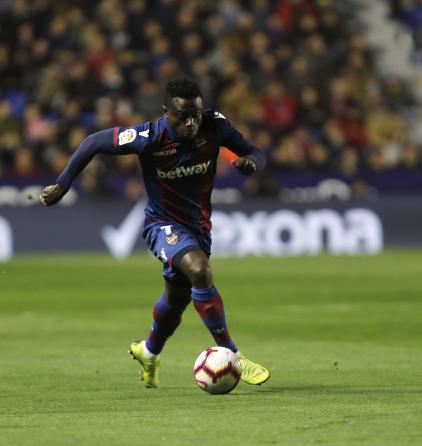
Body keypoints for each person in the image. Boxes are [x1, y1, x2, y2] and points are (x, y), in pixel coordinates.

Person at [40, 78, 270, 388]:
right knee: (200, 271)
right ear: (166, 112)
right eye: (182, 116)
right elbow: (93, 142)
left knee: (177, 298)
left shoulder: (215, 125)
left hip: (198, 227)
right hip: (161, 225)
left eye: (195, 115)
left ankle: (148, 351)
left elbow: (257, 152)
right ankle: (234, 355)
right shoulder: (149, 136)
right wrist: (63, 184)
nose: (190, 122)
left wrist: (251, 164)